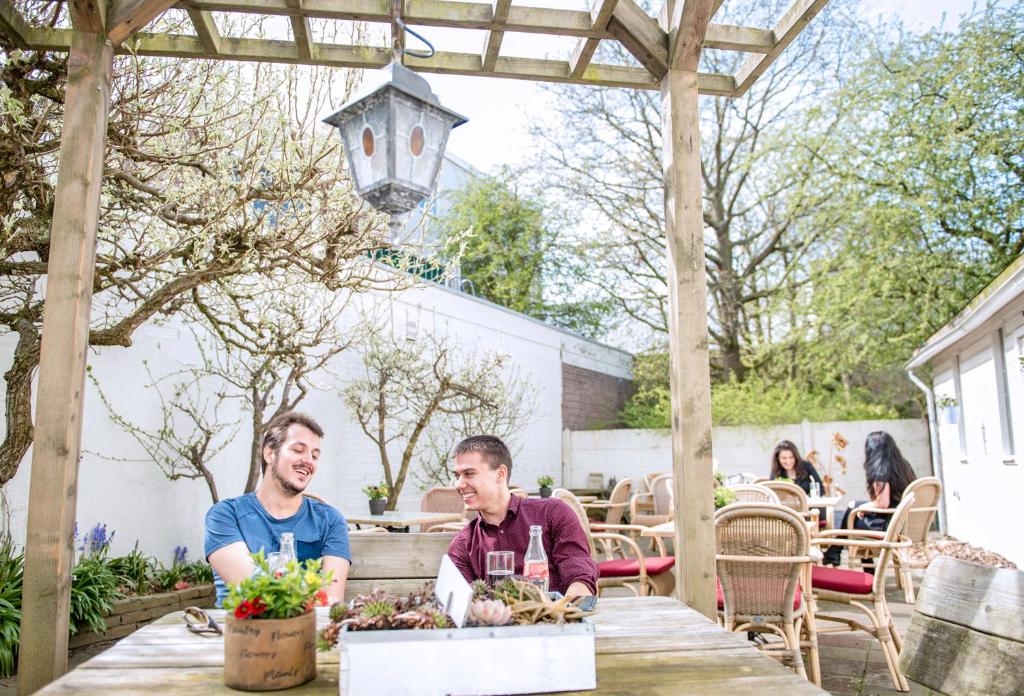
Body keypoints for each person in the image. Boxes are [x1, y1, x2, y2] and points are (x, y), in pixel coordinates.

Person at [204, 411, 351, 607]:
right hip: (239, 632)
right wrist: (311, 596)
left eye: (315, 455)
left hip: (305, 632)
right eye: (298, 450)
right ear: (270, 454)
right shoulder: (225, 515)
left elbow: (332, 599)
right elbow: (253, 587)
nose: (309, 460)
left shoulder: (330, 520)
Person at [447, 435, 598, 597]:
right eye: (457, 476)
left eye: (469, 474)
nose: (459, 484)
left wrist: (565, 611)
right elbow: (465, 604)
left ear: (500, 474)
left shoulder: (552, 513)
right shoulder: (463, 545)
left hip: (557, 617)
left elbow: (579, 576)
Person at [823, 431, 917, 566]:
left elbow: (883, 503)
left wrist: (861, 508)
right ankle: (835, 552)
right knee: (853, 506)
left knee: (855, 516)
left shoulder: (880, 468)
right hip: (902, 523)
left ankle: (836, 553)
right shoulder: (903, 465)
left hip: (889, 526)